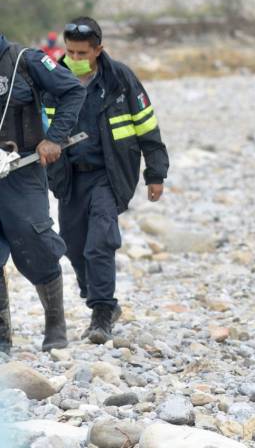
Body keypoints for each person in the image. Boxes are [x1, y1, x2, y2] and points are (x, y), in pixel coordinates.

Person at [43, 17, 169, 345]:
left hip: (109, 175)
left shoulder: (120, 80)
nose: (75, 57)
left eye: (82, 52)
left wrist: (155, 173)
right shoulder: (52, 80)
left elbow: (146, 127)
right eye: (69, 51)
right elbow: (37, 130)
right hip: (69, 177)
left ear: (98, 49)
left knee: (100, 240)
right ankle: (101, 299)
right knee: (72, 243)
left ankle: (101, 313)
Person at [0, 29, 85, 353]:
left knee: (35, 241)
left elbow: (72, 92)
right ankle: (1, 340)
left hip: (22, 169)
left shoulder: (27, 60)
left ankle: (55, 323)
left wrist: (55, 138)